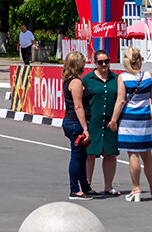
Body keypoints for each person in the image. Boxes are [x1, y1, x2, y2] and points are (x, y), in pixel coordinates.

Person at [108, 47, 152, 202]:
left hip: (128, 119)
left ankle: (136, 188)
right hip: (144, 119)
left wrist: (114, 120)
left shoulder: (123, 77)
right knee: (147, 154)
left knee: (133, 154)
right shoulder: (148, 76)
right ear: (139, 61)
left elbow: (121, 100)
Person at [83, 49, 120, 195]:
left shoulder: (116, 79)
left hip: (111, 123)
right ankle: (87, 185)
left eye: (106, 61)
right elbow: (81, 100)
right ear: (95, 63)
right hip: (93, 122)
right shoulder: (87, 79)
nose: (104, 64)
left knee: (110, 154)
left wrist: (115, 119)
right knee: (90, 154)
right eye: (100, 62)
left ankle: (108, 186)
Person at [61, 51, 94, 199]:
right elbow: (78, 106)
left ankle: (85, 186)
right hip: (75, 123)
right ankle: (74, 189)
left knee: (82, 155)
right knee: (76, 155)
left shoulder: (69, 81)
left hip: (71, 122)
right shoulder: (75, 83)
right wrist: (85, 128)